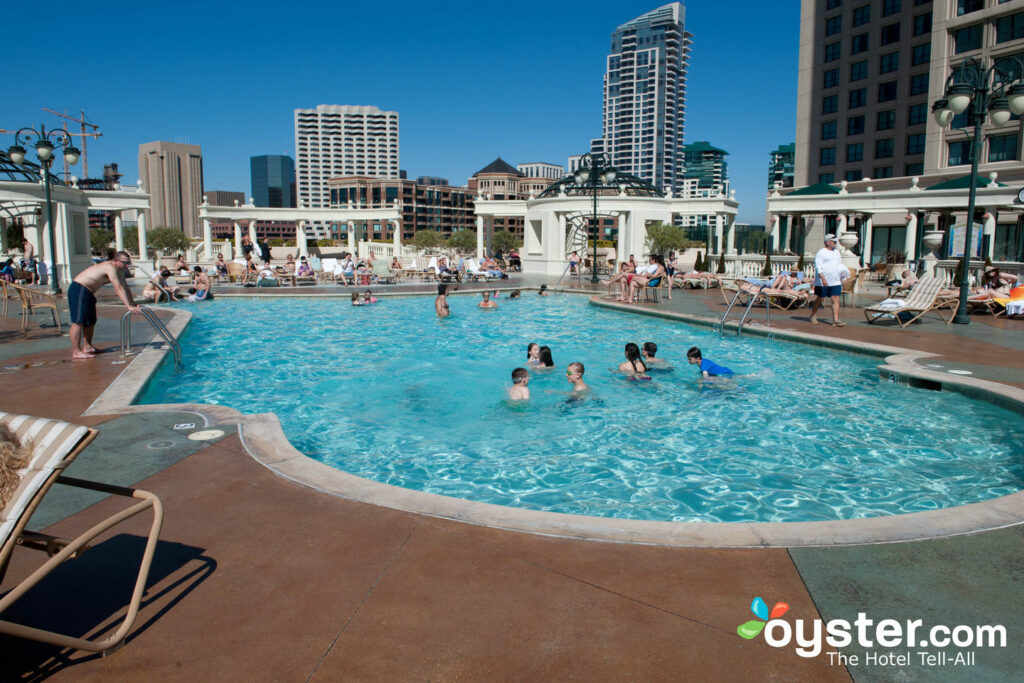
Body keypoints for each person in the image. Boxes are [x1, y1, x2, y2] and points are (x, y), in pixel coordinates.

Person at [68, 251, 141, 359]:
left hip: (88, 293)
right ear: (116, 261)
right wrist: (128, 306)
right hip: (79, 289)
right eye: (125, 262)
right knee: (78, 321)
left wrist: (134, 305)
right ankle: (76, 351)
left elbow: (125, 287)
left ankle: (88, 347)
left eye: (128, 262)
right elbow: (118, 288)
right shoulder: (109, 267)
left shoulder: (119, 270)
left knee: (91, 321)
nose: (127, 265)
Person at [808, 234, 846, 326]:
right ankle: (813, 315)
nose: (835, 243)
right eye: (834, 241)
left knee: (835, 299)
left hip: (836, 281)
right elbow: (818, 266)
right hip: (823, 281)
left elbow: (839, 264)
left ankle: (835, 320)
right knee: (820, 299)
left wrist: (842, 274)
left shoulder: (837, 252)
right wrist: (823, 278)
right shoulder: (821, 252)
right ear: (827, 242)